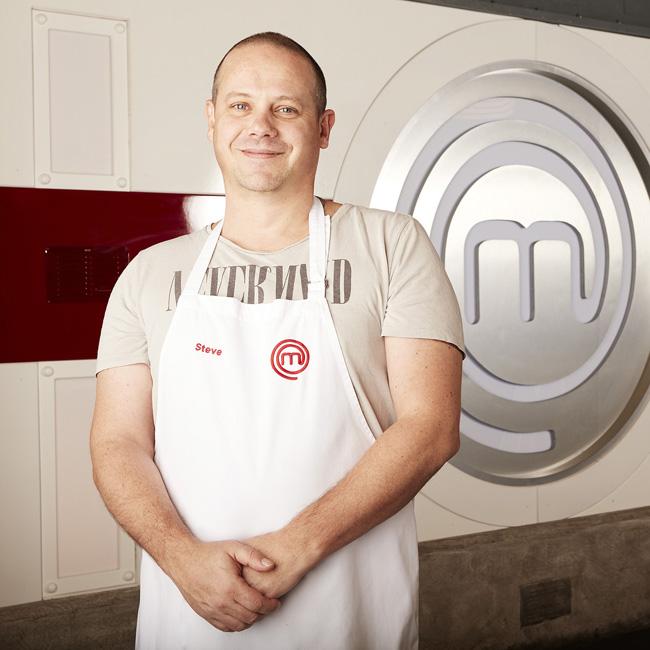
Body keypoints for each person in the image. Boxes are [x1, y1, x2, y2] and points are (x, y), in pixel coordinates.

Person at [90, 30, 465, 650]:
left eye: (285, 108)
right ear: (212, 119)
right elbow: (118, 443)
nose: (260, 125)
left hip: (349, 612)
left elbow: (431, 428)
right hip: (190, 613)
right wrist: (180, 557)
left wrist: (298, 547)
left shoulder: (392, 245)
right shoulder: (150, 274)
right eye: (240, 105)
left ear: (323, 127)